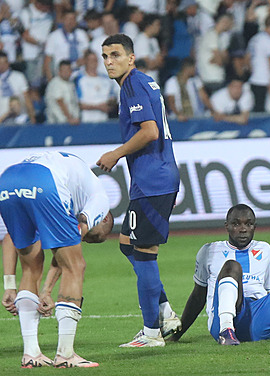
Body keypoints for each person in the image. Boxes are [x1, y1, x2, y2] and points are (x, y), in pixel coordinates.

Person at [98, 33, 181, 348]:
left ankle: (151, 333)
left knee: (144, 253)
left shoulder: (132, 84)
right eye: (105, 56)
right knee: (127, 244)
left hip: (153, 180)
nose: (109, 62)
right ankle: (165, 312)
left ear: (131, 58)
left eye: (115, 55)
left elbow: (150, 131)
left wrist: (116, 153)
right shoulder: (144, 82)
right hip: (154, 178)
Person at [0, 151, 114, 368]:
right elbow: (68, 255)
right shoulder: (101, 201)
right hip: (44, 180)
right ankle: (65, 356)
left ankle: (31, 355)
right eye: (94, 237)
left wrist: (9, 285)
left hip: (8, 179)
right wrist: (47, 291)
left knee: (31, 267)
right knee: (76, 265)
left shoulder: (74, 184)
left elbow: (10, 238)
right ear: (105, 217)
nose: (87, 240)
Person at [169, 204, 270, 345]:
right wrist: (176, 334)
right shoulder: (208, 251)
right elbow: (198, 296)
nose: (243, 229)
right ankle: (226, 330)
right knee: (232, 266)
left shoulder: (264, 249)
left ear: (255, 227)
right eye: (236, 224)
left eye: (249, 224)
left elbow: (266, 291)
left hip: (257, 320)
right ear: (227, 226)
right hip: (222, 319)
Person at [44, 60, 80, 125]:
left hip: (71, 122)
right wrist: (69, 118)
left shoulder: (71, 84)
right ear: (59, 71)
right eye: (64, 70)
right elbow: (60, 102)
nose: (66, 72)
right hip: (57, 123)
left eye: (68, 70)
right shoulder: (55, 83)